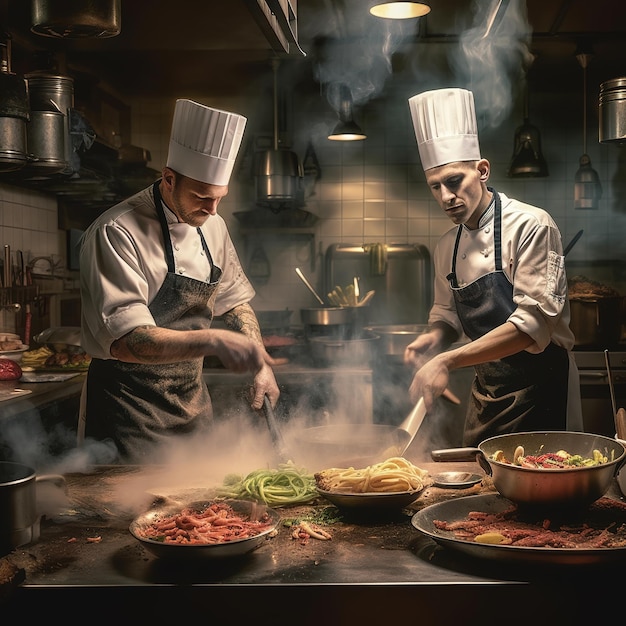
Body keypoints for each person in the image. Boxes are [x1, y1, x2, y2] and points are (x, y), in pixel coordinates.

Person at [78, 99, 280, 463]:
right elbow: (128, 342)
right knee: (128, 516)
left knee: (203, 511)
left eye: (219, 199)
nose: (213, 210)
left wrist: (261, 367)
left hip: (191, 406)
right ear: (169, 178)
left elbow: (234, 302)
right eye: (202, 197)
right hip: (129, 413)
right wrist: (215, 340)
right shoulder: (116, 231)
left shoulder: (212, 224)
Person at [404, 87, 582, 447]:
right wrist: (435, 337)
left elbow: (531, 327)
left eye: (454, 182)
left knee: (541, 490)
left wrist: (447, 361)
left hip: (542, 390)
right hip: (488, 393)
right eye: (435, 187)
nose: (446, 197)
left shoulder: (532, 226)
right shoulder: (446, 247)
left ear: (482, 170)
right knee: (482, 488)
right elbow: (448, 315)